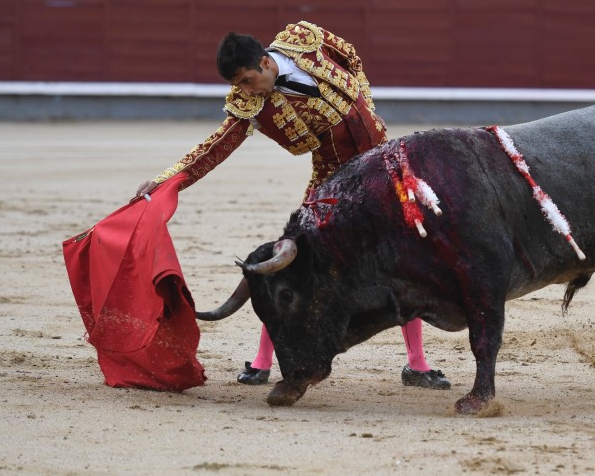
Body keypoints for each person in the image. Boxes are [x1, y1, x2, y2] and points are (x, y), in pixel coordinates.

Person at [134, 22, 451, 391]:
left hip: (384, 166)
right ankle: (262, 361)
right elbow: (215, 147)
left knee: (404, 257)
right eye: (238, 86)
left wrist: (365, 103)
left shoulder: (305, 39)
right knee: (293, 264)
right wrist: (169, 179)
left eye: (247, 80)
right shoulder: (251, 104)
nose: (245, 91)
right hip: (333, 179)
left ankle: (417, 365)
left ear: (266, 63)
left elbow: (350, 56)